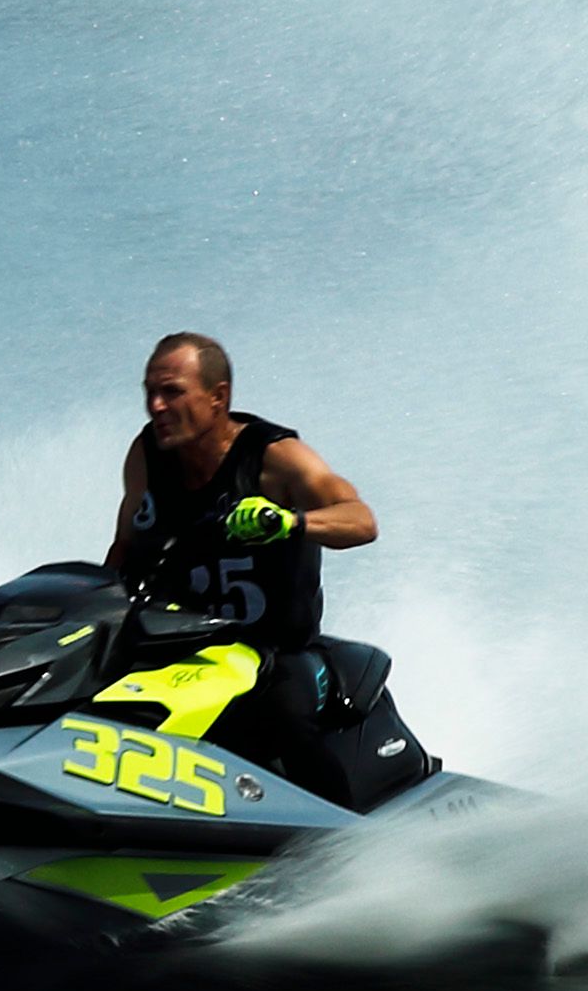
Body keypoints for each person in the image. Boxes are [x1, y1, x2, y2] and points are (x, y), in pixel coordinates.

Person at [108, 331, 429, 806]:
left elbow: (361, 521)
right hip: (179, 650)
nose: (155, 405)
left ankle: (338, 846)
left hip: (276, 653)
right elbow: (123, 550)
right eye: (149, 392)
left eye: (171, 391)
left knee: (284, 710)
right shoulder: (146, 457)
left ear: (218, 397)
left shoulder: (274, 458)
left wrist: (289, 522)